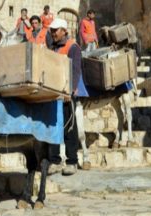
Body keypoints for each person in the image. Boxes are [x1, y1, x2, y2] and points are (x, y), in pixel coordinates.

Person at [47, 18, 89, 176]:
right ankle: (55, 160)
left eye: (55, 30)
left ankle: (72, 161)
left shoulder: (73, 47)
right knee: (53, 127)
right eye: (51, 30)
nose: (52, 33)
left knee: (70, 127)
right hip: (53, 92)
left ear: (64, 31)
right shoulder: (52, 47)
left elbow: (75, 70)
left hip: (66, 93)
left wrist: (69, 91)